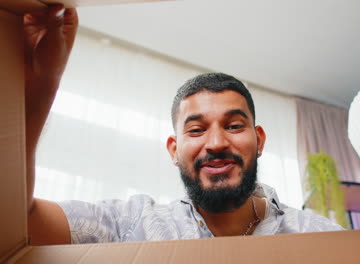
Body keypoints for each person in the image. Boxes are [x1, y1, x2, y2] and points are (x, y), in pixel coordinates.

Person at [25, 5, 343, 246]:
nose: (216, 142)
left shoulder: (320, 238)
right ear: (174, 149)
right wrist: (42, 85)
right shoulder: (128, 225)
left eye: (233, 126)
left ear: (259, 140)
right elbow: (15, 224)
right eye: (196, 129)